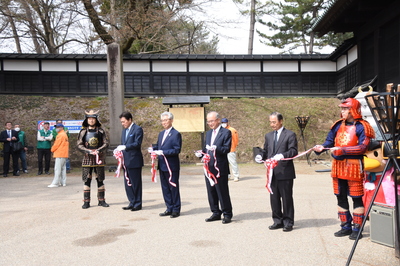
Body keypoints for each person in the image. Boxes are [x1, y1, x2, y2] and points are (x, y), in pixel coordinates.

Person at [313, 98, 374, 240]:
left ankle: (357, 227)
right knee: (339, 196)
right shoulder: (337, 126)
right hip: (338, 167)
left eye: (345, 109)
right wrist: (321, 148)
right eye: (342, 108)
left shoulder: (363, 126)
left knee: (356, 197)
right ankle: (345, 225)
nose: (342, 111)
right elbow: (329, 141)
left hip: (353, 166)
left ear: (353, 110)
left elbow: (362, 147)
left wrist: (343, 150)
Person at [255, 112, 298, 232]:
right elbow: (266, 150)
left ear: (281, 121)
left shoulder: (290, 134)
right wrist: (260, 156)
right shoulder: (268, 136)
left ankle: (288, 221)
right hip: (272, 172)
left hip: (285, 171)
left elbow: (293, 151)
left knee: (286, 198)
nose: (272, 124)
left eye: (274, 122)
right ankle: (277, 220)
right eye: (270, 122)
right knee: (274, 198)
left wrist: (282, 155)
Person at [195, 111, 233, 224]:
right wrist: (200, 153)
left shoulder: (226, 132)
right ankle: (216, 212)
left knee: (222, 191)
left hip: (220, 167)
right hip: (208, 167)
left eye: (212, 121)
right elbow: (205, 149)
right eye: (208, 121)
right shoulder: (208, 133)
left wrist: (216, 148)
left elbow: (227, 149)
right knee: (211, 191)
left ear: (218, 120)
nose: (210, 123)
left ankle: (227, 213)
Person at [149, 111, 182, 218]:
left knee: (173, 187)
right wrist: (153, 149)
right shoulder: (161, 133)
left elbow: (177, 150)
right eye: (162, 120)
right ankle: (169, 207)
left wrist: (163, 152)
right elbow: (159, 146)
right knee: (165, 188)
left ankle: (176, 209)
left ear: (171, 120)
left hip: (172, 166)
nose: (164, 122)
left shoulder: (176, 134)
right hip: (162, 165)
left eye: (166, 120)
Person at [77, 110, 109, 209]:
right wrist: (88, 151)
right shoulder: (83, 132)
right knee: (87, 179)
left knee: (100, 179)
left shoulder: (101, 131)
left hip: (99, 157)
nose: (91, 120)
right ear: (86, 120)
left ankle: (101, 200)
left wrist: (98, 150)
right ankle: (86, 201)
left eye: (93, 118)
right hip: (87, 157)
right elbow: (79, 145)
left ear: (96, 119)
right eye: (89, 119)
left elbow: (106, 143)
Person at [117, 111, 144, 211]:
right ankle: (131, 201)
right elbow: (122, 144)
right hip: (125, 161)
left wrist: (125, 147)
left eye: (124, 122)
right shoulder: (124, 131)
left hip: (134, 160)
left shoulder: (137, 129)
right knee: (127, 183)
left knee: (135, 182)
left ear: (130, 120)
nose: (122, 124)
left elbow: (137, 143)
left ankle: (138, 203)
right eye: (121, 122)